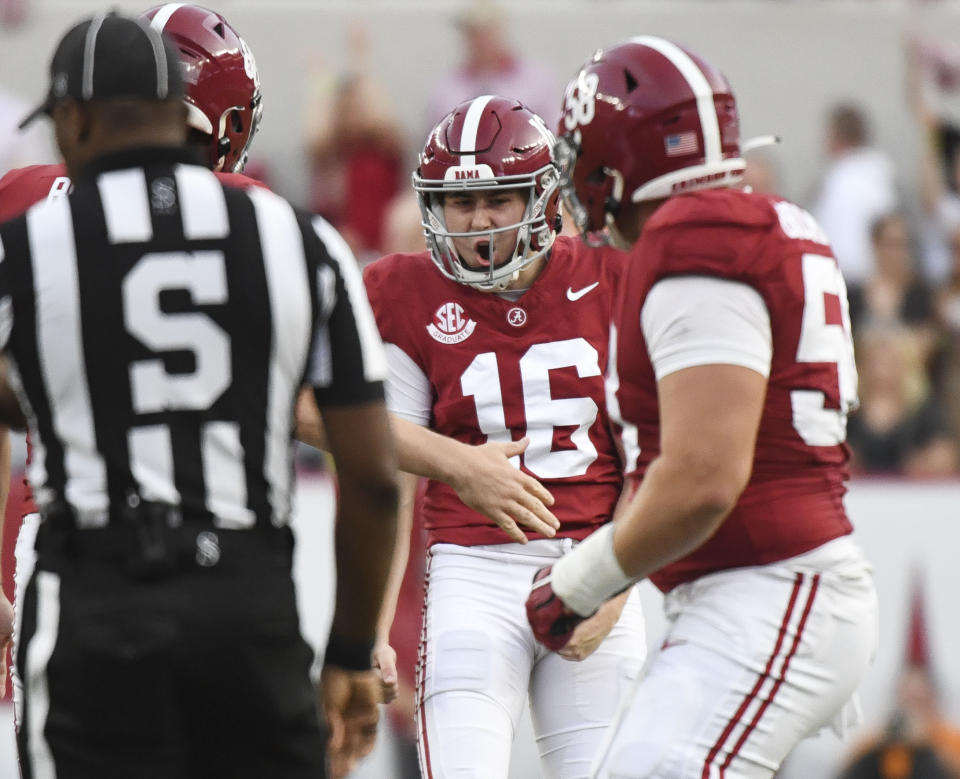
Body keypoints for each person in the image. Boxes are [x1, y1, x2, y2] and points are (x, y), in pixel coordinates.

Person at [0, 11, 398, 778]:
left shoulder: (31, 237)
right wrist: (349, 647)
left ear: (76, 120)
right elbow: (375, 477)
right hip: (246, 591)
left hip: (92, 588)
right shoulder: (298, 237)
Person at [526, 38, 879, 778]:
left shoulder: (696, 238)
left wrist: (578, 583)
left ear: (617, 163)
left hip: (771, 586)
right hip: (758, 589)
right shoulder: (766, 220)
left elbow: (704, 475)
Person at [0, 0, 269, 744]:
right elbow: (328, 416)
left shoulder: (24, 200)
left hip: (62, 539)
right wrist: (457, 463)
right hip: (215, 547)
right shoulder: (252, 214)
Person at [361, 95, 646, 779]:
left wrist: (617, 586)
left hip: (594, 554)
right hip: (473, 570)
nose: (478, 221)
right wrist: (369, 625)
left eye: (498, 199)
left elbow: (650, 461)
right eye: (461, 204)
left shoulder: (615, 279)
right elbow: (388, 471)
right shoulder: (406, 293)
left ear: (544, 199)